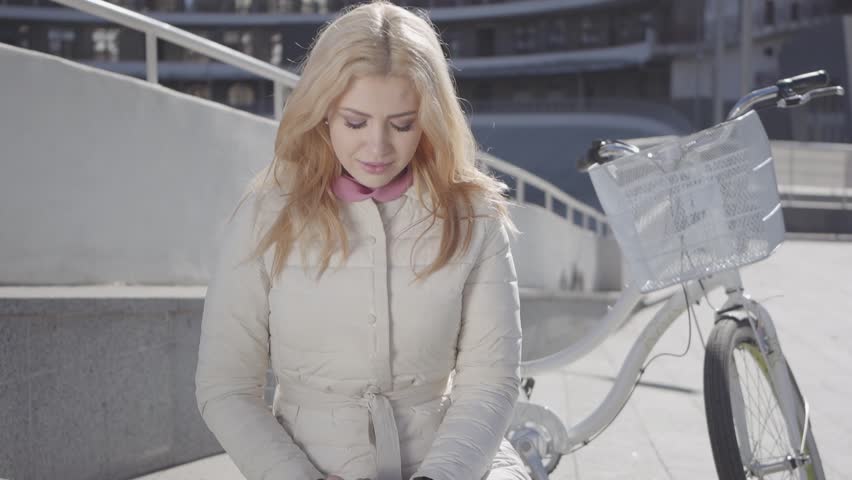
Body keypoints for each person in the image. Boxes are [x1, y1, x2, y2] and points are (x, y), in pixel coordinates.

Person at [194, 1, 529, 479]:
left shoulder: (474, 216)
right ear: (322, 111)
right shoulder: (264, 216)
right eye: (355, 122)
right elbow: (226, 387)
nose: (378, 148)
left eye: (403, 124)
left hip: (455, 464)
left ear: (430, 119)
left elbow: (490, 382)